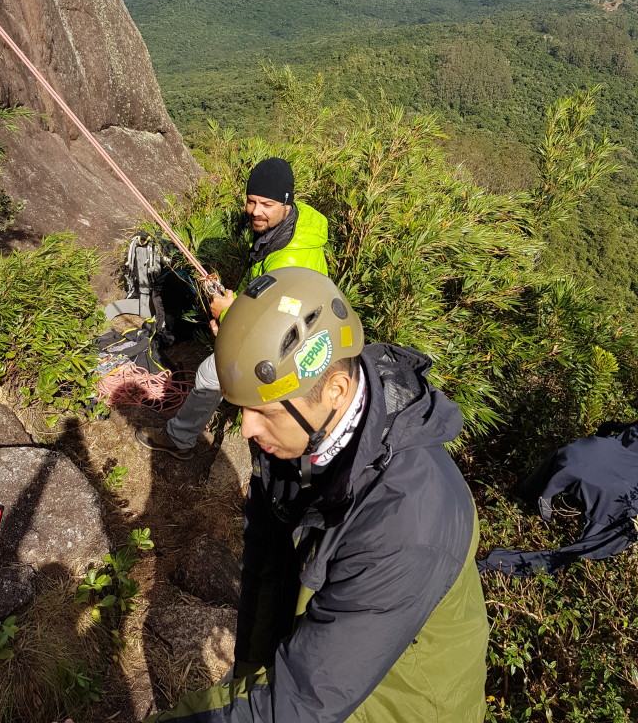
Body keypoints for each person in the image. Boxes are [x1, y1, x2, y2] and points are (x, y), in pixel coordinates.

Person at [147, 267, 488, 723]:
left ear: (335, 390)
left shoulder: (409, 522)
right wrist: (249, 668)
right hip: (325, 670)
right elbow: (266, 562)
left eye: (262, 412)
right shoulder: (304, 431)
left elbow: (301, 705)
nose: (246, 428)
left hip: (402, 702)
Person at [135, 158, 329, 460]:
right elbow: (269, 295)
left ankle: (180, 439)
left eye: (266, 203)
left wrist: (227, 314)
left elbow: (276, 326)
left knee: (211, 375)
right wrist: (234, 300)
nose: (255, 211)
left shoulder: (289, 259)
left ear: (286, 205)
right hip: (301, 335)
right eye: (251, 201)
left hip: (290, 345)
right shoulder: (292, 229)